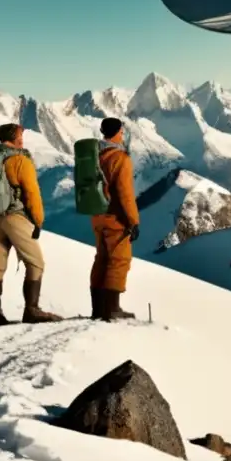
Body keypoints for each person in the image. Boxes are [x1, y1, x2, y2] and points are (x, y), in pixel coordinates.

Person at [0, 123, 61, 325]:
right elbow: (32, 193)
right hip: (15, 216)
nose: (22, 138)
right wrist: (38, 221)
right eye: (20, 135)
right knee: (36, 263)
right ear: (13, 137)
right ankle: (31, 310)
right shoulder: (19, 160)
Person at [90, 117, 139, 321]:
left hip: (97, 216)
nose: (123, 135)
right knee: (119, 260)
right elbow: (125, 193)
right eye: (121, 131)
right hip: (115, 217)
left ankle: (98, 309)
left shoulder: (95, 155)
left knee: (102, 259)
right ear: (117, 132)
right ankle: (112, 309)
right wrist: (133, 220)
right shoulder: (120, 158)